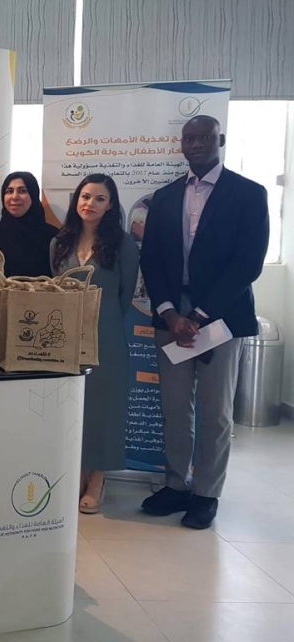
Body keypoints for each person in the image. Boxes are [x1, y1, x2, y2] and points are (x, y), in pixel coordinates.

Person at [139, 115, 269, 530]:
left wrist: (198, 315)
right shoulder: (164, 197)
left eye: (204, 137)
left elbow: (248, 263)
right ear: (181, 144)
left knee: (216, 413)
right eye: (188, 138)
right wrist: (169, 312)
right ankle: (177, 485)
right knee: (175, 408)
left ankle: (206, 494)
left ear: (220, 139)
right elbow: (150, 258)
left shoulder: (248, 194)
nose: (195, 144)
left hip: (221, 319)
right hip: (171, 318)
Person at [51, 174, 139, 514]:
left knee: (104, 407)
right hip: (65, 337)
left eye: (100, 199)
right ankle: (77, 471)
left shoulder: (124, 245)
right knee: (73, 406)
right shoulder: (59, 243)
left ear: (111, 205)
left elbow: (125, 295)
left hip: (107, 335)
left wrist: (104, 320)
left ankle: (98, 478)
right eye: (85, 196)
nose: (90, 204)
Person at [0, 172, 58, 278]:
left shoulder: (51, 237)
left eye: (22, 191)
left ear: (33, 195)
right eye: (9, 191)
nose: (15, 197)